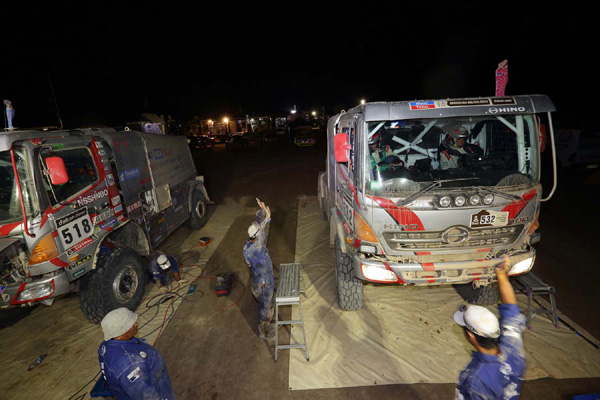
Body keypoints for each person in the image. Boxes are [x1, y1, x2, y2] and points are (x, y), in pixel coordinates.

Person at [453, 255, 526, 400]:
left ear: (471, 336)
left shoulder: (475, 379)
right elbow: (510, 306)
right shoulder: (512, 348)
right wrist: (501, 275)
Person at [98, 307, 177, 400]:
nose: (136, 324)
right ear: (119, 334)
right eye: (130, 325)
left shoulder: (105, 345)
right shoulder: (129, 364)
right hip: (157, 389)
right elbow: (146, 396)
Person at [243, 198, 275, 340]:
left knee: (264, 304)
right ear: (257, 237)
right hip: (264, 283)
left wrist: (262, 211)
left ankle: (266, 321)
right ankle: (263, 331)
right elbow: (263, 231)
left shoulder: (248, 245)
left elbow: (258, 226)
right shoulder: (257, 248)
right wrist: (268, 218)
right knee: (265, 307)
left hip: (257, 282)